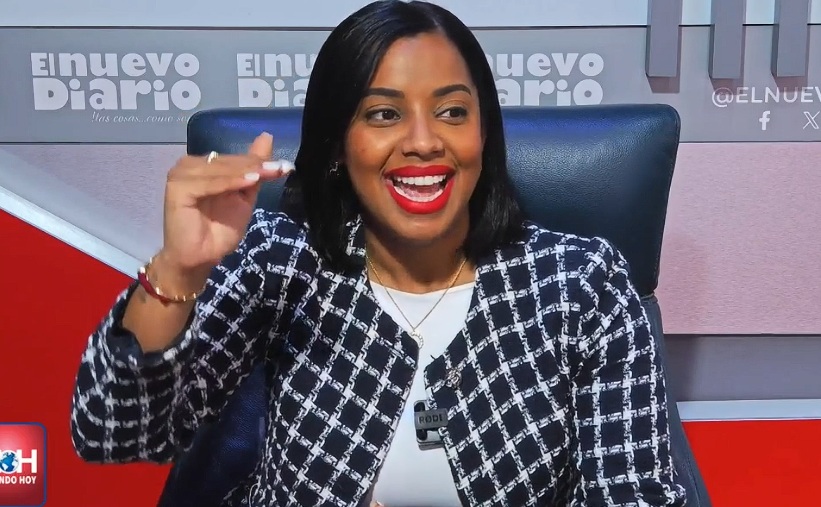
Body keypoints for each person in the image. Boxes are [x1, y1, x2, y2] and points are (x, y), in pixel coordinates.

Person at [70, 1, 689, 505]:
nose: (423, 142)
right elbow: (112, 431)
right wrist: (178, 269)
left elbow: (633, 494)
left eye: (452, 111)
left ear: (483, 134)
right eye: (384, 114)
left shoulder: (580, 284)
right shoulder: (282, 262)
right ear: (338, 145)